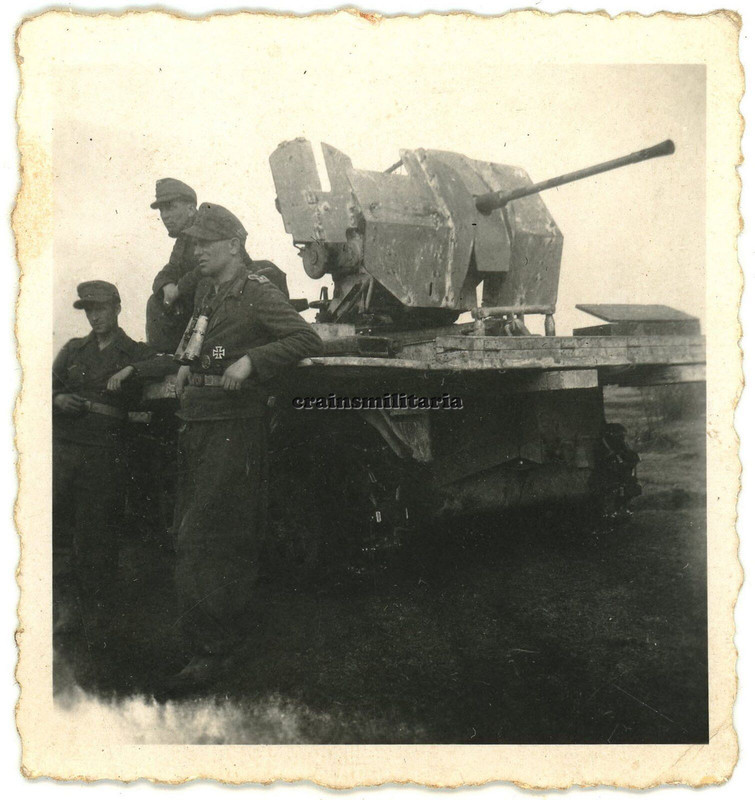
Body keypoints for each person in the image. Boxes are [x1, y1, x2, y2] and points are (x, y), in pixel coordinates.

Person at [165, 202, 323, 690]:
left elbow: (305, 338)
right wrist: (195, 361)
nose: (195, 254)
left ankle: (214, 650)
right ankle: (208, 637)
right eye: (192, 245)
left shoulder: (258, 292)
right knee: (193, 530)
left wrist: (253, 361)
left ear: (233, 245)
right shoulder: (210, 292)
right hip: (200, 422)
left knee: (216, 537)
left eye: (205, 245)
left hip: (234, 428)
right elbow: (211, 344)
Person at [52, 281, 152, 678]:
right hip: (65, 451)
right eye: (88, 310)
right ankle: (66, 610)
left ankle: (100, 625)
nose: (94, 317)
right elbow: (37, 387)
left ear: (117, 308)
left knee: (97, 540)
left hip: (104, 456)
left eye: (101, 308)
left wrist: (133, 370)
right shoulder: (73, 350)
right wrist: (57, 399)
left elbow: (167, 362)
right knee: (58, 534)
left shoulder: (134, 351)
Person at [146, 178, 202, 352]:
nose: (165, 216)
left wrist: (179, 288)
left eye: (171, 207)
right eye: (162, 210)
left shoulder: (207, 231)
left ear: (191, 209)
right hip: (194, 307)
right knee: (156, 300)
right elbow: (170, 269)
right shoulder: (183, 238)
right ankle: (164, 358)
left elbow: (208, 269)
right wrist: (167, 285)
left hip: (215, 304)